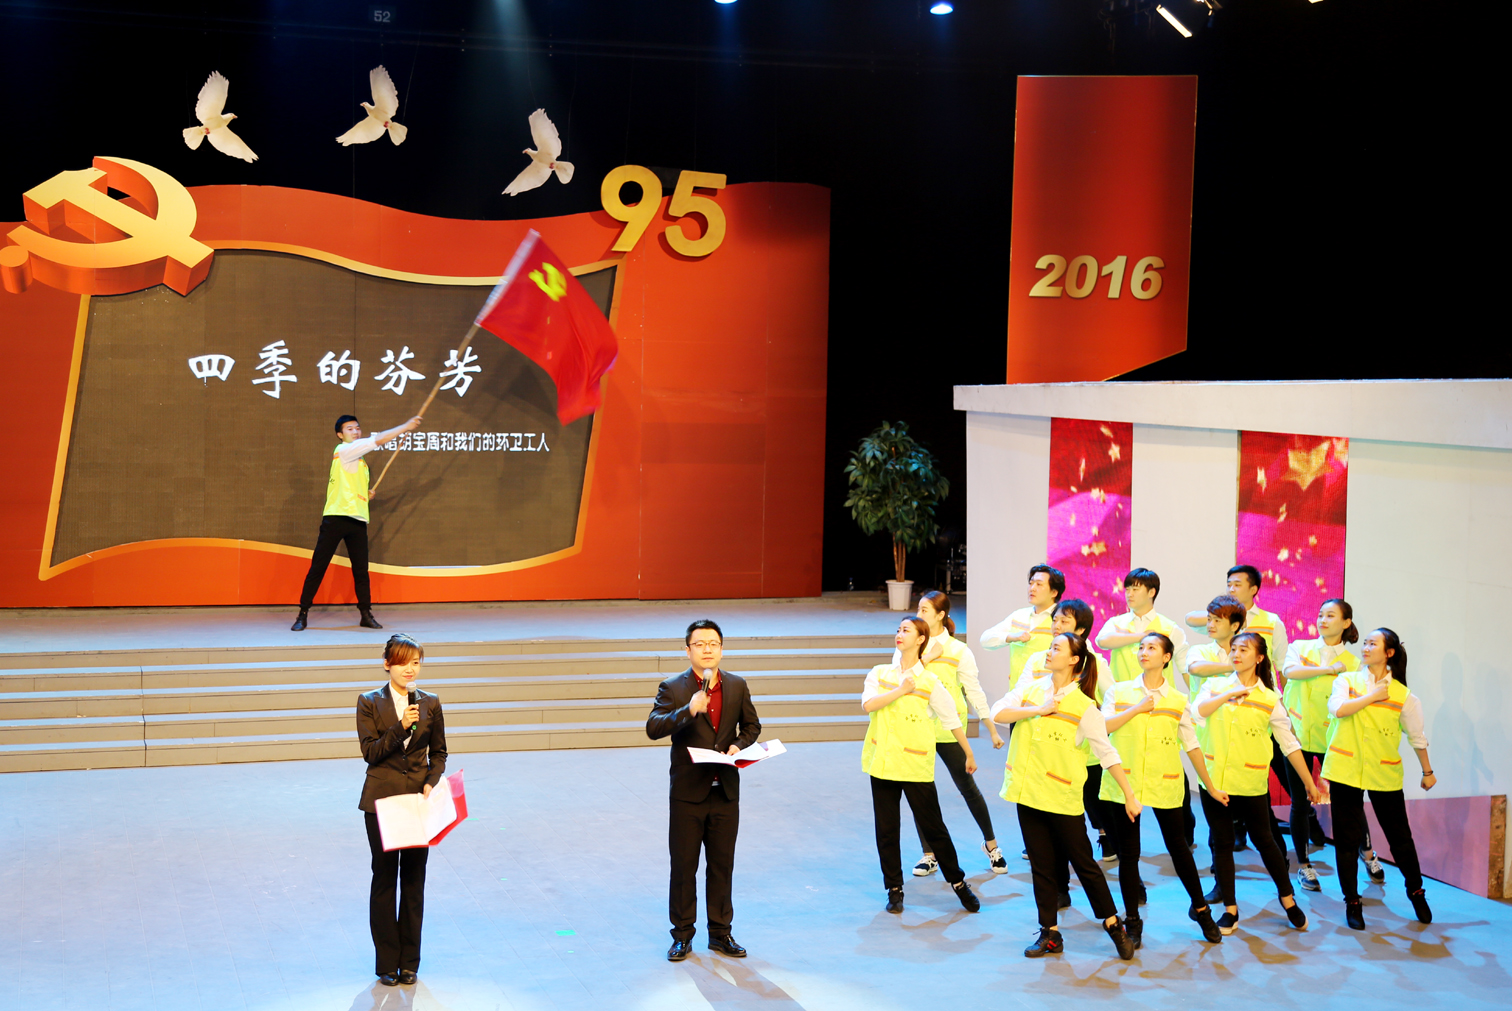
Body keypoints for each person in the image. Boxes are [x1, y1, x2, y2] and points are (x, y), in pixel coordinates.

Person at [991, 632, 1140, 960]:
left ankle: (1113, 924)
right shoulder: (1031, 690)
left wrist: (1129, 795)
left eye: (1056, 648)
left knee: (1084, 865)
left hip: (1062, 798)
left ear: (1074, 660)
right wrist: (1037, 710)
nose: (1049, 651)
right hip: (1028, 793)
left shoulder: (1085, 707)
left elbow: (1107, 753)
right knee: (1041, 866)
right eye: (1050, 646)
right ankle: (1050, 934)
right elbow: (997, 712)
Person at [1098, 632, 1226, 945]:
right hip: (1126, 783)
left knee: (1179, 848)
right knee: (1129, 854)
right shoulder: (1119, 691)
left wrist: (1210, 787)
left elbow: (1192, 745)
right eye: (1141, 647)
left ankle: (1201, 910)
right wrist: (1137, 709)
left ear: (1167, 657)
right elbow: (1103, 728)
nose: (1144, 651)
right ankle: (1132, 920)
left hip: (1165, 781)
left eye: (1152, 647)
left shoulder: (1179, 700)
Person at [1190, 632, 1321, 935]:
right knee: (1222, 843)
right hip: (1214, 782)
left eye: (1244, 650)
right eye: (1233, 649)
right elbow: (1197, 713)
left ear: (1260, 658)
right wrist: (1227, 695)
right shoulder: (1214, 686)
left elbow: (1289, 744)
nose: (1236, 654)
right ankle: (1230, 910)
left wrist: (1309, 783)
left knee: (1265, 841)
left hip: (1250, 783)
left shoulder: (1269, 699)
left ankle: (1288, 900)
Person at [647, 620, 763, 961]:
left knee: (721, 865)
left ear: (722, 649)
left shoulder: (737, 685)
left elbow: (752, 725)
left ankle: (720, 933)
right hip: (688, 793)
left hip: (724, 790)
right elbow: (653, 727)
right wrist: (688, 710)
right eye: (700, 644)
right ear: (688, 651)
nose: (707, 649)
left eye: (713, 643)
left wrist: (738, 745)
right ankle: (682, 935)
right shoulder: (673, 687)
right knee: (684, 867)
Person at [863, 616, 983, 916]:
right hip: (883, 763)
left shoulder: (930, 682)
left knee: (934, 828)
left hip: (915, 765)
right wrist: (901, 690)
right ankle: (894, 888)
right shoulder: (880, 673)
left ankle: (958, 883)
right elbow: (869, 705)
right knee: (886, 830)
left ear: (920, 640)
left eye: (906, 630)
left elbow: (951, 720)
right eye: (898, 629)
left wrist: (968, 752)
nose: (899, 634)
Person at [1323, 628, 1436, 929]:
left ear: (1389, 653)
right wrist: (1372, 696)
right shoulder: (1346, 681)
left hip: (1383, 771)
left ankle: (1416, 891)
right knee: (1346, 841)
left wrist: (1427, 772)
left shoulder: (1403, 695)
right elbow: (1338, 709)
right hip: (1345, 769)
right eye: (1365, 642)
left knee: (1400, 839)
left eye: (1373, 643)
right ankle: (1352, 901)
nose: (1366, 647)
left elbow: (1417, 737)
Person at [356, 633, 448, 987]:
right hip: (381, 802)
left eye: (416, 662)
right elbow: (371, 752)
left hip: (416, 803)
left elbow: (439, 752)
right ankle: (386, 963)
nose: (411, 669)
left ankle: (409, 962)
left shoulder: (431, 702)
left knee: (413, 880)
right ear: (387, 664)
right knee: (384, 879)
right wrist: (401, 726)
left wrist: (432, 780)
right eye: (403, 662)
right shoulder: (369, 702)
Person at [899, 591, 1009, 878]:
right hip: (918, 728)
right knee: (922, 794)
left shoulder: (959, 650)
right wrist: (927, 657)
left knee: (967, 787)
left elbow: (973, 691)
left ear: (940, 615)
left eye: (924, 610)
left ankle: (992, 845)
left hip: (950, 729)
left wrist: (990, 727)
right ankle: (929, 854)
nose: (919, 615)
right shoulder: (910, 642)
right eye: (918, 609)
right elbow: (901, 680)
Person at [293, 413, 423, 632]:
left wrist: (365, 493)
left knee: (361, 571)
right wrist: (405, 427)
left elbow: (351, 486)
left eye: (357, 428)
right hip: (336, 517)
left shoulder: (361, 462)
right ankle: (302, 613)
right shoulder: (344, 450)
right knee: (319, 567)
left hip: (357, 520)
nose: (355, 431)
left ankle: (365, 614)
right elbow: (378, 440)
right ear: (340, 434)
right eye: (350, 429)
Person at [1022, 599, 1116, 872]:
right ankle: (1052, 860)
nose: (1057, 625)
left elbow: (1112, 698)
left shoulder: (1094, 662)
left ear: (1081, 630)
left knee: (1094, 802)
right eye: (1055, 620)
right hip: (1049, 749)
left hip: (1083, 750)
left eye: (1065, 621)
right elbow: (1023, 695)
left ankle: (1109, 842)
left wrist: (1097, 723)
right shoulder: (1041, 658)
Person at [1281, 599, 1360, 893]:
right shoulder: (1300, 647)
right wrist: (1329, 669)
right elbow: (1290, 671)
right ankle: (1303, 865)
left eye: (1331, 615)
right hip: (1297, 736)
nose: (1323, 620)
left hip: (1334, 739)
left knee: (1346, 801)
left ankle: (1366, 853)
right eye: (1320, 614)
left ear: (1346, 622)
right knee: (1299, 802)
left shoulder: (1354, 663)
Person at [1183, 594, 1248, 856]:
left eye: (1217, 620)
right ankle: (1218, 856)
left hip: (1241, 733)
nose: (1210, 625)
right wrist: (1237, 666)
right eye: (1209, 619)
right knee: (1211, 792)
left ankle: (1240, 826)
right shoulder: (1200, 650)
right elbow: (1196, 669)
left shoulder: (1249, 648)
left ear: (1235, 625)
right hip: (1208, 733)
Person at [1095, 568, 1188, 684]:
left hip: (1159, 694)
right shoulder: (1116, 623)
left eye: (1135, 589)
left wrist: (1196, 695)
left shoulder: (1170, 628)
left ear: (1151, 592)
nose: (1129, 594)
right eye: (1127, 589)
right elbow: (1102, 642)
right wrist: (1141, 636)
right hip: (1122, 693)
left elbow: (1185, 667)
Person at [979, 564, 1064, 689]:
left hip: (1048, 693)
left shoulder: (1062, 620)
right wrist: (1012, 637)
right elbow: (985, 640)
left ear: (1054, 592)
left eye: (1039, 584)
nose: (1032, 588)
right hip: (1017, 693)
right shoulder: (1018, 616)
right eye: (1031, 583)